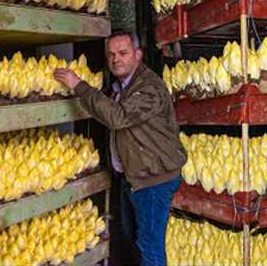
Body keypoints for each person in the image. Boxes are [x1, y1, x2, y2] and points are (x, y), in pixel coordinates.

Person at [54, 30, 187, 266]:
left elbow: (118, 117)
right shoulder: (120, 87)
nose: (116, 59)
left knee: (149, 245)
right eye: (111, 54)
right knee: (132, 234)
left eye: (123, 53)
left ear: (138, 55)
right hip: (134, 176)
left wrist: (79, 85)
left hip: (154, 180)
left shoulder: (148, 87)